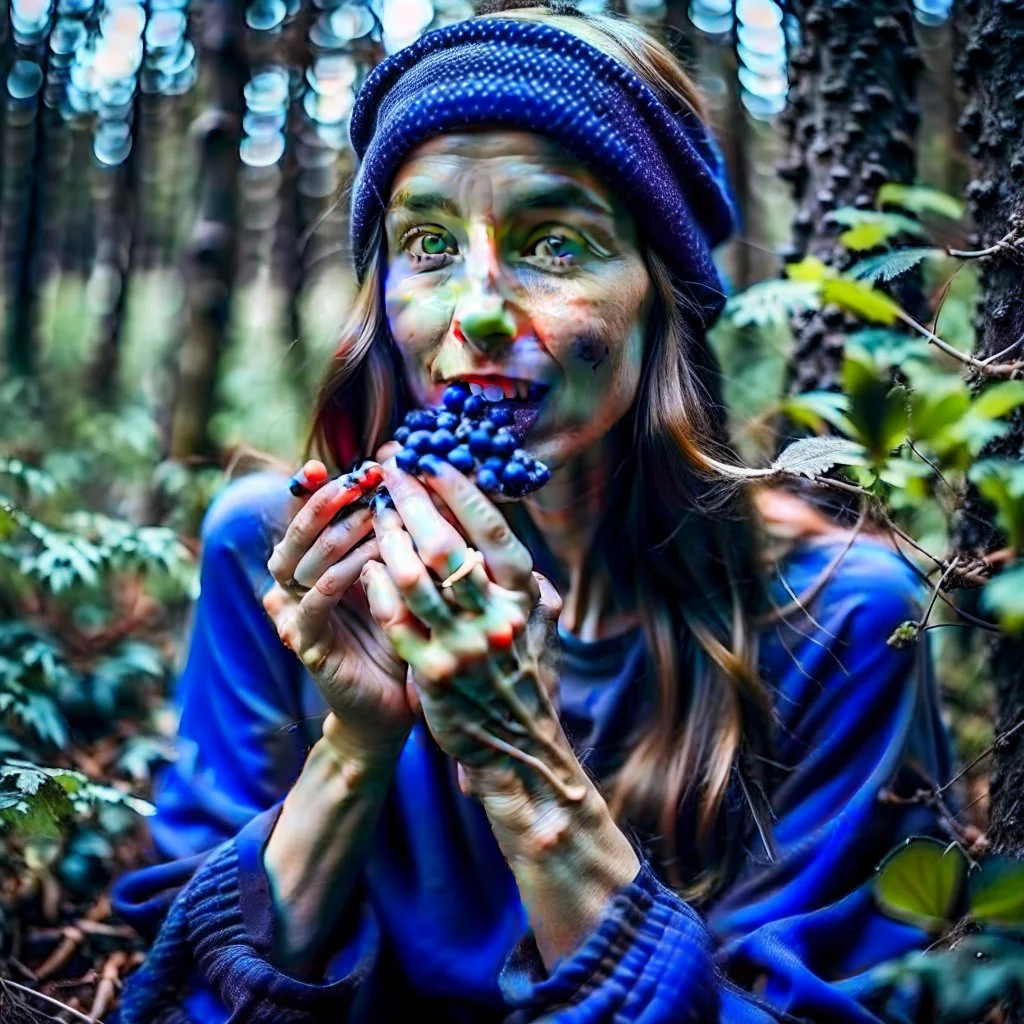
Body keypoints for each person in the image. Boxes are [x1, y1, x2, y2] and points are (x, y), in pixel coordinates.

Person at [111, 5, 956, 1022]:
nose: (473, 310)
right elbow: (172, 997)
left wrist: (526, 770)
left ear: (662, 294)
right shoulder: (280, 557)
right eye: (424, 243)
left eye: (555, 243)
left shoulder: (840, 619)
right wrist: (352, 746)